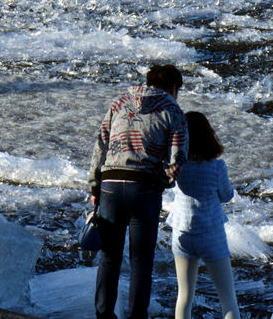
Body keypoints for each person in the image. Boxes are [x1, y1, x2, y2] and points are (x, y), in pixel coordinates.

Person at [88, 64, 188, 319]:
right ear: (173, 87)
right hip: (144, 187)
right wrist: (163, 180)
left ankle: (103, 314)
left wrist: (94, 186)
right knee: (141, 261)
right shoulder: (172, 109)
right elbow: (177, 159)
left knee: (109, 257)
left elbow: (100, 144)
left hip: (110, 183)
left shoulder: (119, 102)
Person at [170, 111, 241, 319]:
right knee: (227, 299)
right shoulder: (217, 166)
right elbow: (226, 195)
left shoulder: (178, 166)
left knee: (184, 296)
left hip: (182, 232)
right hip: (211, 233)